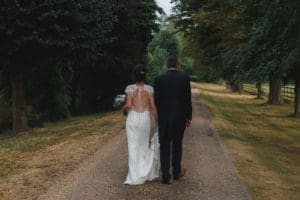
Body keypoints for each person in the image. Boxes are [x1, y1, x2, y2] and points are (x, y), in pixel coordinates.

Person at [154, 56, 192, 184]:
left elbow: (156, 101)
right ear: (178, 65)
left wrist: (158, 116)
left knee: (164, 145)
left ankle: (165, 175)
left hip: (164, 118)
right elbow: (187, 99)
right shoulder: (184, 78)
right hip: (179, 117)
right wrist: (189, 116)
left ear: (166, 65)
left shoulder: (158, 79)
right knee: (177, 145)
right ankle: (176, 173)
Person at [123, 64, 160, 185]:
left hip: (133, 119)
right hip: (145, 120)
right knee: (143, 146)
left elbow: (128, 106)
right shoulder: (149, 89)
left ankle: (134, 175)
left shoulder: (130, 89)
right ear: (145, 75)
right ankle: (144, 171)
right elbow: (153, 107)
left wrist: (123, 107)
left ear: (134, 75)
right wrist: (156, 121)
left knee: (132, 147)